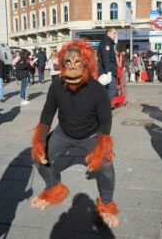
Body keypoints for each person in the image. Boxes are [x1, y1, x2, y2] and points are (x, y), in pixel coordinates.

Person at [30, 41, 119, 228]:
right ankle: (54, 189)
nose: (71, 68)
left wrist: (101, 148)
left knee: (107, 169)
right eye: (67, 63)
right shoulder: (56, 86)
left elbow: (105, 121)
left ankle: (106, 205)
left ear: (86, 64)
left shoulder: (97, 91)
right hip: (63, 133)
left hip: (91, 136)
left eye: (77, 62)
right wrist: (40, 142)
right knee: (39, 158)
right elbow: (47, 114)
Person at [97, 28, 118, 100]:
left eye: (116, 33)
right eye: (114, 33)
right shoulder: (107, 42)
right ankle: (103, 107)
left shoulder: (108, 42)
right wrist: (108, 71)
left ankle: (102, 107)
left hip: (107, 70)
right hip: (107, 71)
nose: (115, 35)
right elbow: (106, 58)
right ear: (108, 33)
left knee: (106, 91)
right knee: (113, 90)